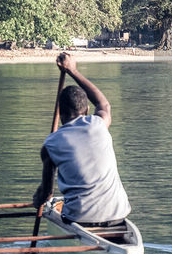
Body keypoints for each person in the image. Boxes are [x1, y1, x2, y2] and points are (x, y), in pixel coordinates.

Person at [32, 53, 131, 227]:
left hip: (80, 219)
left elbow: (48, 194)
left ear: (60, 115)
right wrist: (72, 70)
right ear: (85, 111)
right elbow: (103, 104)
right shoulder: (99, 124)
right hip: (118, 213)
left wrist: (38, 199)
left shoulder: (50, 145)